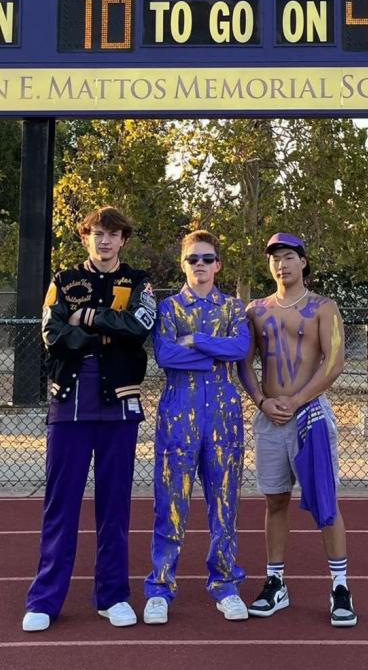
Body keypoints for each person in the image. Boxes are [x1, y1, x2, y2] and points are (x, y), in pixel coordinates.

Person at [22, 206, 157, 633]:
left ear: (123, 240)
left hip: (119, 404)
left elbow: (139, 327)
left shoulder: (137, 282)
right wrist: (105, 331)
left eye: (113, 234)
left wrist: (91, 318)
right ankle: (45, 599)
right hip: (70, 404)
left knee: (114, 506)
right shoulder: (63, 280)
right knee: (60, 506)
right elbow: (53, 334)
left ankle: (113, 594)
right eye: (97, 233)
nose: (105, 241)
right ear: (86, 237)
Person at [239, 232, 357, 627]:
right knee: (274, 501)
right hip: (270, 418)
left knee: (326, 501)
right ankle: (276, 583)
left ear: (303, 262)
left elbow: (335, 362)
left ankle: (340, 586)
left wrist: (299, 399)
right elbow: (244, 362)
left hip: (310, 416)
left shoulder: (324, 308)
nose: (281, 265)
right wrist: (261, 400)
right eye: (275, 258)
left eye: (289, 257)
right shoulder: (256, 310)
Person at [144, 230, 251, 625]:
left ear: (218, 264)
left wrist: (196, 340)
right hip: (179, 415)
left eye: (208, 258)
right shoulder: (169, 308)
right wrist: (210, 354)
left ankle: (225, 583)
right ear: (183, 264)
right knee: (171, 502)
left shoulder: (233, 307)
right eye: (193, 259)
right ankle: (159, 586)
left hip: (224, 418)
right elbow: (165, 354)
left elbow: (240, 349)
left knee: (225, 502)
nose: (201, 265)